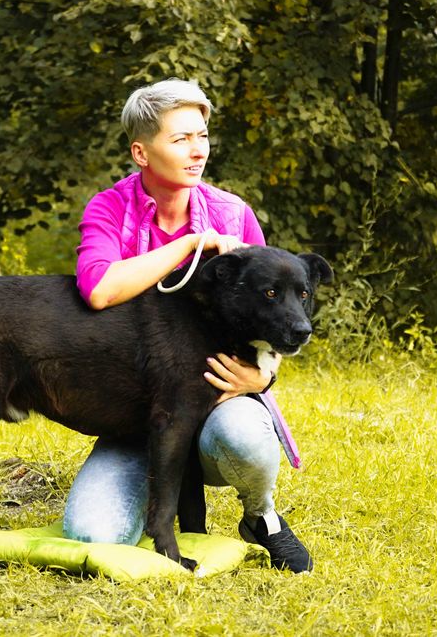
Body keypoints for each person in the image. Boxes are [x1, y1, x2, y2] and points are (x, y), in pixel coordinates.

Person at [63, 78, 314, 573]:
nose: (197, 151)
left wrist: (263, 378)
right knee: (93, 534)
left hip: (221, 401)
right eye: (180, 139)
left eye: (201, 136)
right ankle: (163, 496)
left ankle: (262, 518)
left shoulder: (232, 212)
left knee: (245, 435)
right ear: (141, 151)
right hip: (140, 413)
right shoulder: (109, 208)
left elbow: (272, 310)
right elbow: (97, 289)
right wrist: (187, 246)